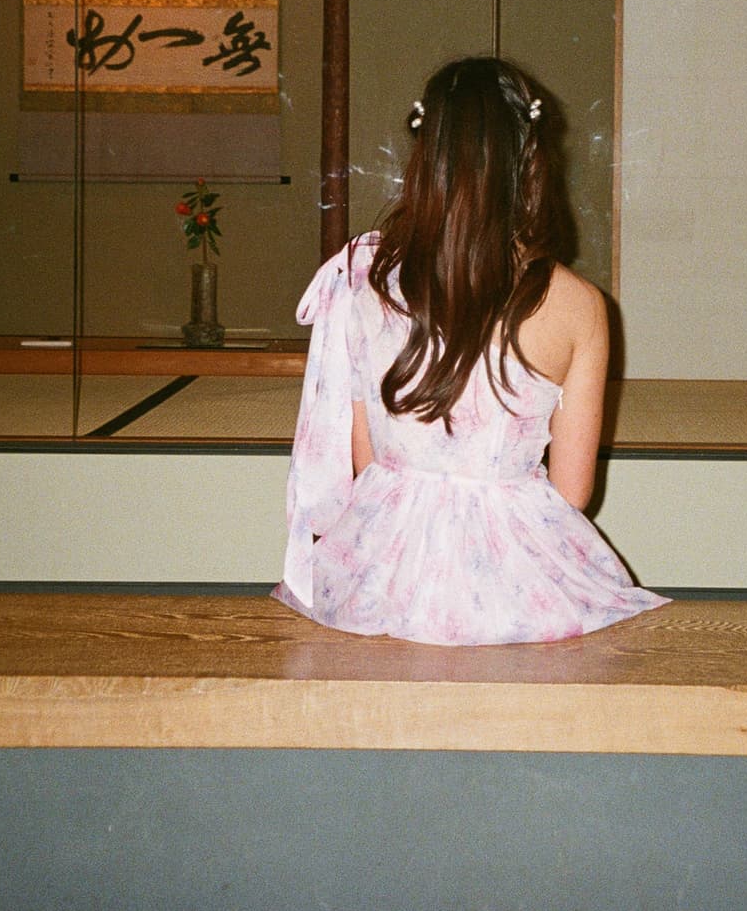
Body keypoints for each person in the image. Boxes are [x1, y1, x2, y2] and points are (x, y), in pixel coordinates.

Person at [273, 56, 668, 645]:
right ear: (533, 163)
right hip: (518, 585)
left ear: (423, 159)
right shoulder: (580, 304)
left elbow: (364, 463)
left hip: (381, 578)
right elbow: (573, 493)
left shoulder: (366, 281)